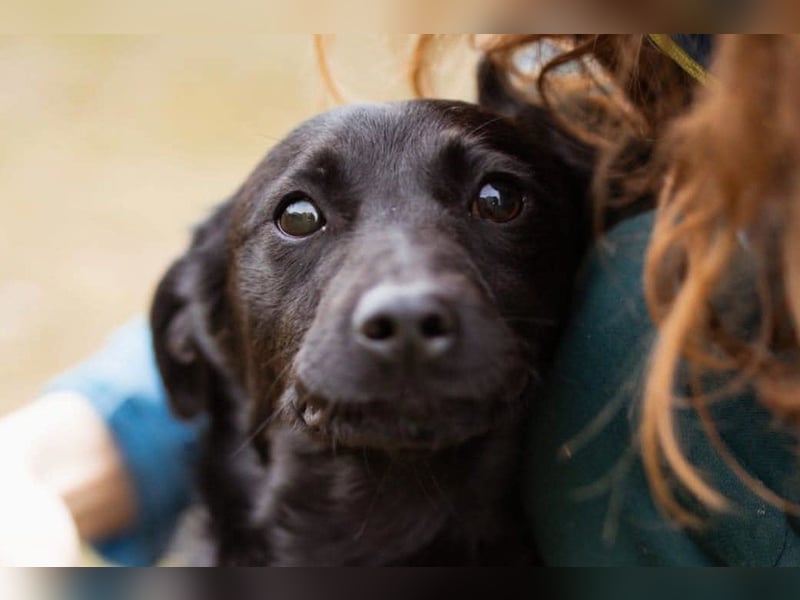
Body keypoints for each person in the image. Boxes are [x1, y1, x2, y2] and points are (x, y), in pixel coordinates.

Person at [1, 34, 798, 566]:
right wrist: (104, 425)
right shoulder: (645, 66)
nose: (406, 296)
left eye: (496, 202)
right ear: (191, 336)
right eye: (301, 217)